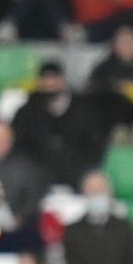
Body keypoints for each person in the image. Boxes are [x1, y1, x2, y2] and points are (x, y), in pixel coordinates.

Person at [11, 61, 107, 189]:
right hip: (38, 176)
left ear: (63, 81)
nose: (50, 84)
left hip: (78, 174)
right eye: (45, 80)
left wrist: (84, 168)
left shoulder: (85, 109)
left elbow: (96, 143)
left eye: (54, 79)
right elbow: (18, 145)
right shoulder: (26, 112)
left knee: (97, 182)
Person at [0, 120, 48, 254]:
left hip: (17, 235)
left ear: (10, 141)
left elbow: (34, 199)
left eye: (0, 139)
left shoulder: (27, 168)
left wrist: (19, 218)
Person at [87, 25, 133, 136]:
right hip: (114, 116)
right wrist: (116, 87)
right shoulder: (104, 67)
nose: (127, 46)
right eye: (122, 42)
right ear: (114, 45)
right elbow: (93, 88)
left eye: (130, 42)